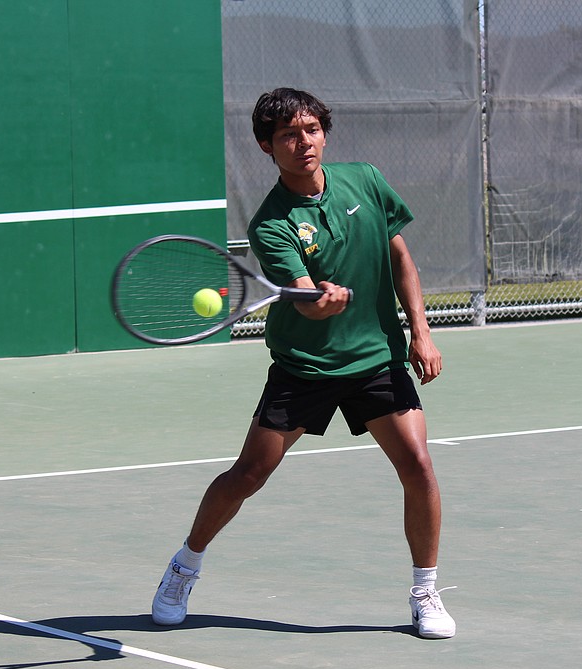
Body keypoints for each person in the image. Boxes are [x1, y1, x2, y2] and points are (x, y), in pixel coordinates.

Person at [150, 87, 454, 639]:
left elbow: (400, 256)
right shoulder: (272, 224)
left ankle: (425, 592)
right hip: (305, 366)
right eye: (288, 135)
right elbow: (308, 304)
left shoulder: (365, 179)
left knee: (419, 467)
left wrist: (421, 333)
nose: (303, 142)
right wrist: (322, 300)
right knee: (249, 474)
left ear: (324, 132)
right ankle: (184, 565)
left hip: (377, 358)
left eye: (311, 129)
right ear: (267, 146)